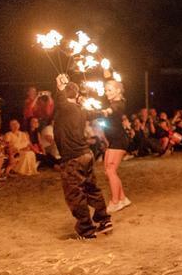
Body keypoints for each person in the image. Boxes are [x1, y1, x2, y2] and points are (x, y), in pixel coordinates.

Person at [53, 74, 112, 239]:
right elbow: (93, 114)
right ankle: (104, 220)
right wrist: (105, 111)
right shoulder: (79, 110)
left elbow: (61, 102)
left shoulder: (68, 108)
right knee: (91, 189)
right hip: (86, 155)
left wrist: (59, 88)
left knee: (75, 193)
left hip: (73, 158)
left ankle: (86, 230)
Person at [102, 80, 132, 212]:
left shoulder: (118, 104)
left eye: (109, 90)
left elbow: (113, 110)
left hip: (119, 140)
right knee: (108, 171)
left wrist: (105, 111)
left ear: (118, 91)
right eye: (106, 90)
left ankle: (115, 202)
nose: (106, 92)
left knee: (110, 171)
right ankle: (123, 198)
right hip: (114, 140)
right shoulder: (115, 103)